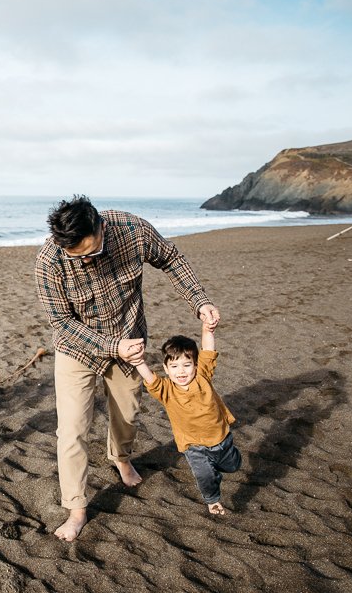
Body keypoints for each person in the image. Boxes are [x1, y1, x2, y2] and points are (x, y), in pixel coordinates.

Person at [35, 195, 219, 541]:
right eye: (78, 257)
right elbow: (61, 323)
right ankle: (76, 509)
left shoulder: (132, 230)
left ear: (101, 227)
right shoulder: (50, 261)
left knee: (128, 413)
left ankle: (120, 458)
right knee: (72, 430)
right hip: (77, 350)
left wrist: (200, 300)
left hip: (129, 343)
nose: (86, 261)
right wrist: (108, 346)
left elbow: (172, 259)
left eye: (90, 252)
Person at [129, 321, 241, 515]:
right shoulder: (166, 390)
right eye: (174, 366)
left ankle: (227, 461)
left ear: (196, 366)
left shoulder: (202, 376)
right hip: (193, 446)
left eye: (186, 365)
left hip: (221, 438)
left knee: (232, 466)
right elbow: (151, 380)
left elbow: (207, 350)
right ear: (166, 367)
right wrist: (139, 362)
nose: (181, 371)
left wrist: (207, 329)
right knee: (204, 475)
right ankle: (212, 501)